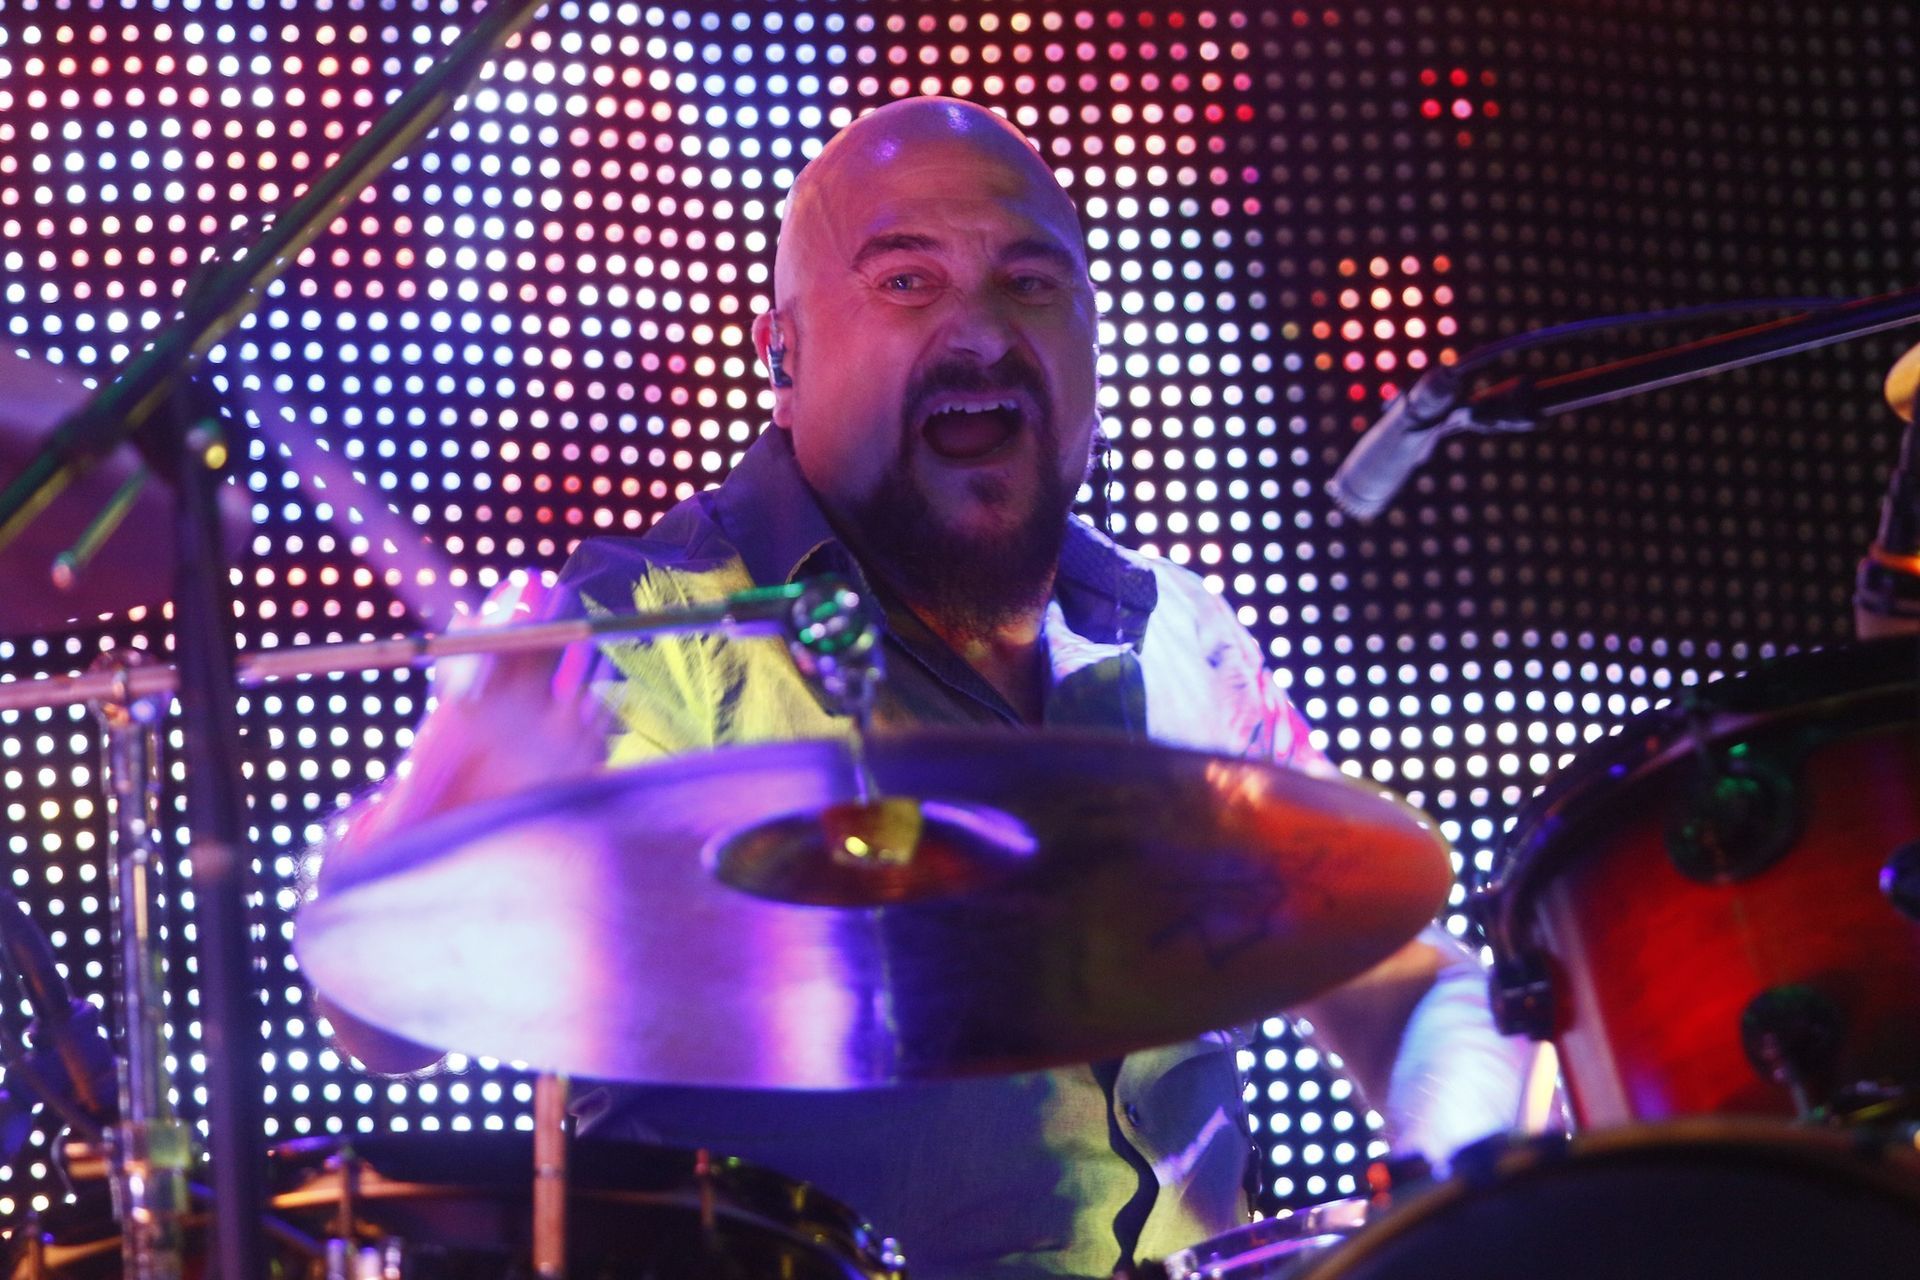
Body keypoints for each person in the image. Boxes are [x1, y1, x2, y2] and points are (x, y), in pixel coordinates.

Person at [311, 96, 1529, 1279]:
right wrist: (438, 806)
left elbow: (1413, 989)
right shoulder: (653, 626)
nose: (984, 332)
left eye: (1030, 282)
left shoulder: (1181, 636)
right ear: (781, 348)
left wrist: (1446, 1178)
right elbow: (382, 1024)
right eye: (908, 280)